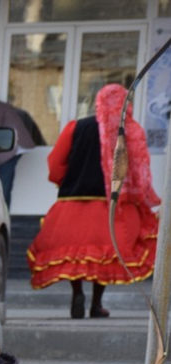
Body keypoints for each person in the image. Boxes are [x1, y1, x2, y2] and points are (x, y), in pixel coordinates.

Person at [28, 83, 160, 318]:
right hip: (111, 205)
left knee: (75, 253)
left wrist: (64, 180)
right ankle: (96, 304)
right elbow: (139, 170)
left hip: (73, 201)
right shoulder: (129, 130)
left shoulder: (76, 127)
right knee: (106, 254)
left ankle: (77, 293)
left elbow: (55, 163)